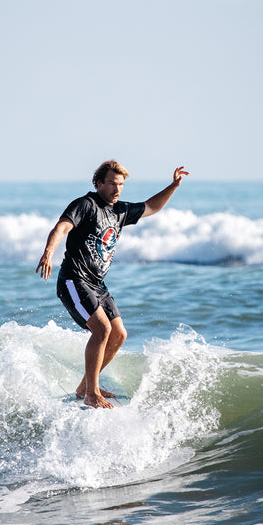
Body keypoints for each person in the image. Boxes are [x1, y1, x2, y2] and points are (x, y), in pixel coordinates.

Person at [36, 160, 189, 409]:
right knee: (102, 329)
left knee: (119, 334)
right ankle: (91, 393)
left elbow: (151, 206)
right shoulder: (86, 204)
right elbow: (62, 226)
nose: (117, 189)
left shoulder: (120, 211)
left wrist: (173, 186)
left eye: (120, 185)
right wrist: (49, 251)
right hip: (74, 280)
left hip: (97, 284)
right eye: (111, 184)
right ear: (98, 183)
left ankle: (86, 386)